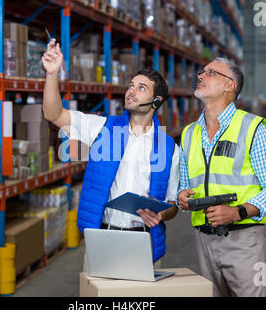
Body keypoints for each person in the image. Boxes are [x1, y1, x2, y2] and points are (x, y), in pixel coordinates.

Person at [41, 39, 180, 267]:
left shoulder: (169, 148)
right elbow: (53, 113)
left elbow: (173, 205)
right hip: (102, 239)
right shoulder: (102, 128)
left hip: (145, 243)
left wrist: (161, 214)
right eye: (131, 86)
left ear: (157, 101)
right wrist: (52, 74)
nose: (131, 92)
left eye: (141, 88)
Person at [176, 57, 266, 297]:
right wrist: (182, 198)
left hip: (243, 238)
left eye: (211, 73)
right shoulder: (188, 133)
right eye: (201, 72)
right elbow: (184, 186)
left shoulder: (253, 128)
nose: (201, 76)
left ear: (230, 86)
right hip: (203, 238)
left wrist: (238, 212)